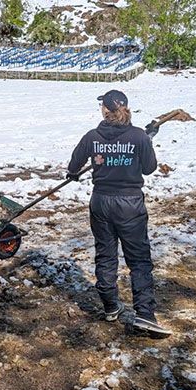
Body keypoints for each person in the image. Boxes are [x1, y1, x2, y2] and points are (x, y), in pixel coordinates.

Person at [67, 89, 171, 338]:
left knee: (106, 255)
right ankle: (144, 314)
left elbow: (73, 166)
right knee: (139, 260)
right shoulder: (138, 137)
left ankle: (110, 305)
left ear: (105, 110)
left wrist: (74, 173)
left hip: (101, 202)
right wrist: (146, 141)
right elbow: (149, 168)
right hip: (130, 205)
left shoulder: (92, 137)